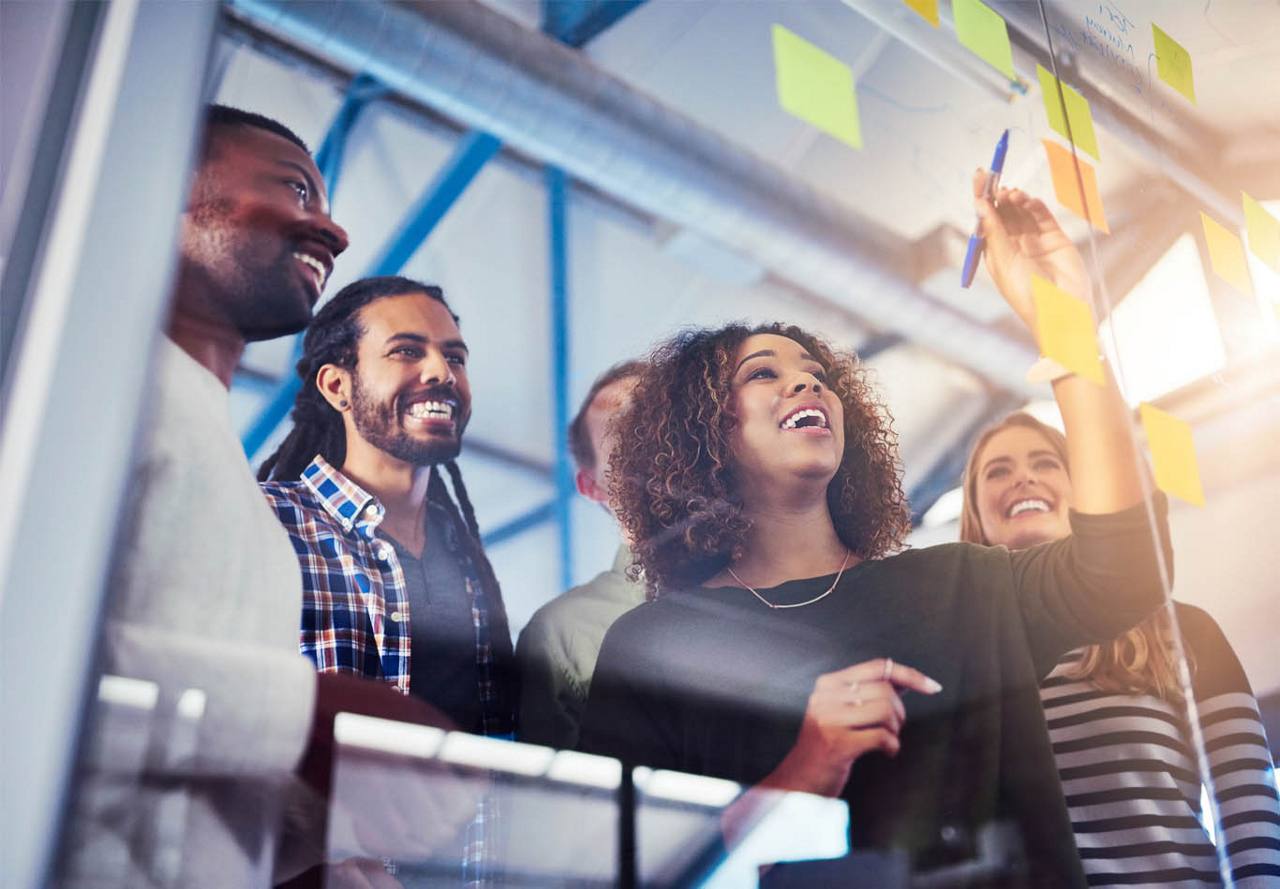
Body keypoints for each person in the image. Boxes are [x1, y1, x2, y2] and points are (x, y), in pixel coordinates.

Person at [578, 174, 1173, 887]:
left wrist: (1067, 324)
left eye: (817, 373)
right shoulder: (653, 647)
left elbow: (1126, 567)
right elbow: (628, 868)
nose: (808, 384)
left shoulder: (963, 582)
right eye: (763, 373)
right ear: (704, 433)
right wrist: (806, 765)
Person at [69, 106, 449, 888]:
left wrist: (315, 847)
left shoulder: (225, 469)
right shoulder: (66, 381)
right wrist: (301, 712)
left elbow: (158, 778)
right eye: (296, 191)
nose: (335, 233)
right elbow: (30, 651)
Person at [960, 411, 1280, 887]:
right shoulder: (956, 659)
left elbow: (1247, 802)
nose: (1023, 476)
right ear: (976, 515)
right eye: (998, 470)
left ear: (1083, 492)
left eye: (1046, 463)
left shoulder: (1183, 630)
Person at [258, 275, 516, 739]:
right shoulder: (265, 524)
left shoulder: (469, 561)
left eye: (454, 357)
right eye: (407, 351)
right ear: (337, 386)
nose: (442, 372)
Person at [516, 360, 647, 749]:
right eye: (622, 431)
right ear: (591, 486)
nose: (651, 438)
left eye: (664, 417)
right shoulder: (560, 635)